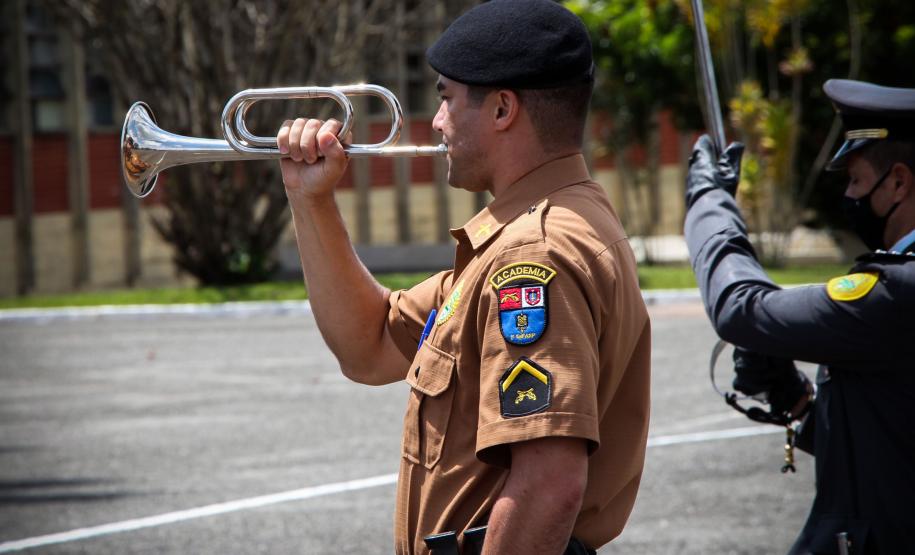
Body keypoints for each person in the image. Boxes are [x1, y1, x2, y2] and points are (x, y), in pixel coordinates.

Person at [275, 1, 651, 553]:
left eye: (447, 97)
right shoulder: (534, 229)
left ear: (502, 109)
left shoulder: (533, 255)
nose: (438, 121)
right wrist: (311, 201)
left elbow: (549, 482)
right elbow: (370, 344)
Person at [683, 78, 915, 554]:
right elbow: (889, 446)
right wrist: (799, 402)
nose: (848, 195)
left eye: (855, 180)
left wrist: (709, 204)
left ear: (898, 182)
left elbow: (741, 309)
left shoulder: (896, 292)